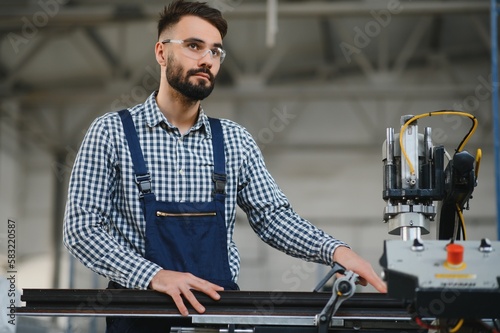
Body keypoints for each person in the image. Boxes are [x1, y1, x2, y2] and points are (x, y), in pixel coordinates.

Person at [63, 1, 386, 332]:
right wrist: (154, 275)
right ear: (161, 53)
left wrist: (335, 250)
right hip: (140, 316)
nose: (207, 59)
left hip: (217, 317)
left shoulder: (234, 141)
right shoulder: (112, 132)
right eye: (193, 46)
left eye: (216, 52)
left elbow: (273, 217)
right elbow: (82, 228)